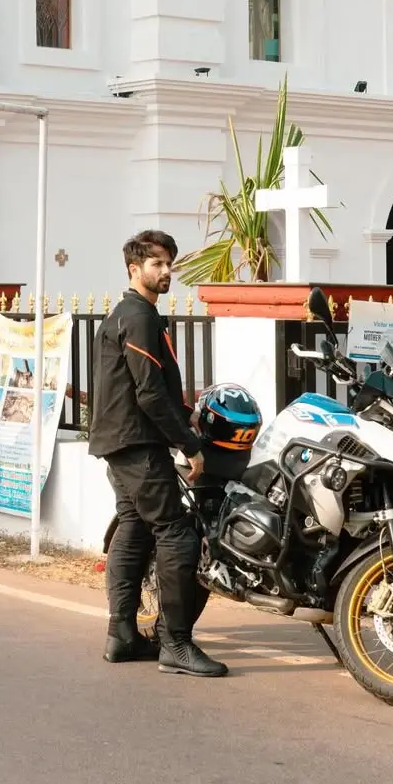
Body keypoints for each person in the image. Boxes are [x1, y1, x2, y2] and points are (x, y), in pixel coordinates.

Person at [88, 230, 228, 679]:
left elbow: (147, 387)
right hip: (137, 443)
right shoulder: (139, 316)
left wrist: (187, 415)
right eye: (156, 264)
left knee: (134, 527)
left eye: (169, 263)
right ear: (134, 269)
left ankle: (122, 635)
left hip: (120, 440)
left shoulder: (130, 315)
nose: (167, 272)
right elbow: (148, 392)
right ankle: (177, 644)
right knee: (178, 534)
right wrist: (188, 445)